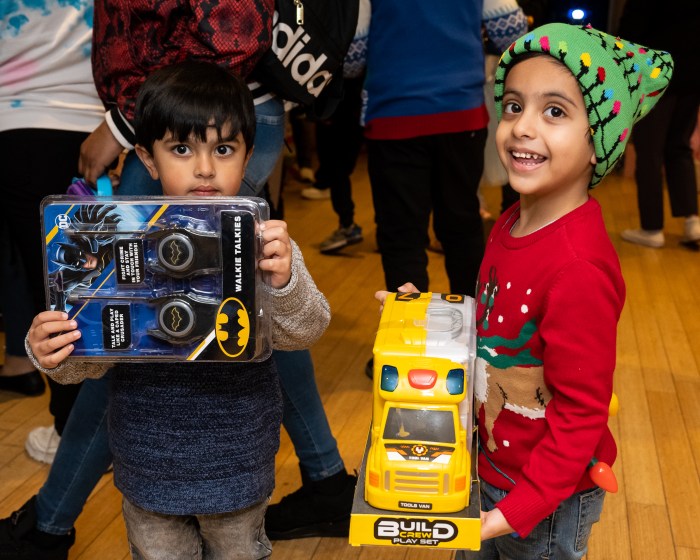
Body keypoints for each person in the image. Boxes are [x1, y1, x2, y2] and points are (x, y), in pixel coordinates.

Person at [25, 61, 331, 559]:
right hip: (147, 465)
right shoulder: (119, 245)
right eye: (182, 149)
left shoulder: (264, 245)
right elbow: (90, 362)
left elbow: (307, 330)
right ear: (148, 158)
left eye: (224, 149)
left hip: (239, 462)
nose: (205, 168)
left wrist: (285, 282)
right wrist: (51, 350)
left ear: (249, 155)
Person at [454, 23, 669, 558]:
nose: (522, 127)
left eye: (554, 111)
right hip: (489, 465)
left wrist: (516, 510)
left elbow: (581, 413)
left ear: (599, 142)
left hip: (544, 501)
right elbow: (497, 320)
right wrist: (427, 314)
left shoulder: (578, 269)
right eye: (513, 106)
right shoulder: (511, 222)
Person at [362, 0, 528, 299]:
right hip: (461, 113)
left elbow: (352, 55)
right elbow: (512, 33)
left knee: (402, 237)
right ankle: (474, 323)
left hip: (394, 115)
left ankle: (408, 326)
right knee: (462, 226)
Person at [0, 0, 105, 462]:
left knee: (53, 288)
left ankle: (73, 433)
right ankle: (85, 426)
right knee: (81, 282)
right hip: (93, 122)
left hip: (18, 112)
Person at [617, 0, 700, 249]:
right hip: (693, 74)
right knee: (679, 147)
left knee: (649, 152)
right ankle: (693, 222)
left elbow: (632, 27)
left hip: (657, 73)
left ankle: (651, 228)